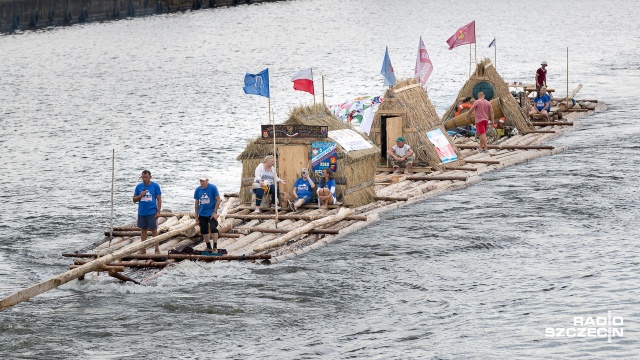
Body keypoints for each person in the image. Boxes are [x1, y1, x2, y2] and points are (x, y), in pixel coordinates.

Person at [132, 170, 162, 254]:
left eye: (146, 177)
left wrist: (158, 211)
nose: (144, 179)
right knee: (143, 230)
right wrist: (140, 195)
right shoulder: (139, 187)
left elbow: (159, 199)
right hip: (142, 212)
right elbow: (134, 200)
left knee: (154, 230)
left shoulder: (155, 186)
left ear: (150, 177)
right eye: (143, 177)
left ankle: (156, 248)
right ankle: (143, 248)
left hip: (152, 211)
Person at [194, 174, 221, 251]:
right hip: (202, 213)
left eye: (203, 181)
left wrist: (215, 211)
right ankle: (208, 246)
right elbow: (196, 202)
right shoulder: (198, 190)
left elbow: (218, 199)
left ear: (207, 181)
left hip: (211, 212)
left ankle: (215, 246)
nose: (202, 182)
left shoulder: (213, 188)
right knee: (203, 229)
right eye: (201, 181)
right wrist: (196, 214)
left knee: (213, 228)